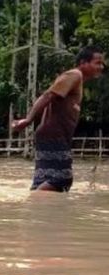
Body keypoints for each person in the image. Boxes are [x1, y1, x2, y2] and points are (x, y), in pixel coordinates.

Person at [12, 46, 105, 192]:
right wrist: (28, 120)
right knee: (61, 179)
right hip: (53, 136)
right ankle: (35, 204)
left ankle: (35, 210)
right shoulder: (75, 75)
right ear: (83, 63)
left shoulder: (78, 82)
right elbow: (48, 95)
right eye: (97, 62)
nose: (101, 66)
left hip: (52, 137)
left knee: (44, 180)